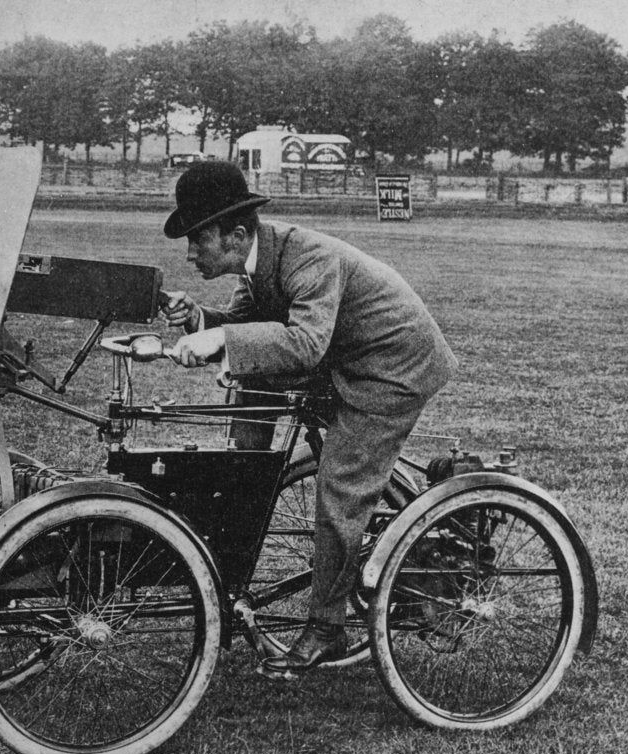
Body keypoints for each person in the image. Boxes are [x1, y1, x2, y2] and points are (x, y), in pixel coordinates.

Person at [160, 161, 458, 676]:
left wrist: (221, 338)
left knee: (340, 488)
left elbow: (303, 343)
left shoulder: (308, 258)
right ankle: (246, 476)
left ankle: (327, 629)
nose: (190, 253)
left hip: (391, 367)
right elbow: (248, 328)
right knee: (253, 376)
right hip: (344, 358)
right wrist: (201, 321)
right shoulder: (258, 261)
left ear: (236, 235)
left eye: (197, 239)